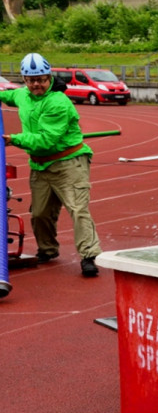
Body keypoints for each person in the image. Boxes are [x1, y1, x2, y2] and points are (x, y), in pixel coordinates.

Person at [0, 52, 102, 277]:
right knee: (39, 214)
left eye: (42, 80)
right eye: (31, 80)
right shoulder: (23, 95)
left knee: (78, 209)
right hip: (40, 165)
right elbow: (8, 96)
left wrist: (12, 139)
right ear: (25, 80)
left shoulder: (58, 102)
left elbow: (46, 140)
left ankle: (88, 256)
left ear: (49, 78)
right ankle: (47, 249)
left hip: (69, 163)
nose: (37, 84)